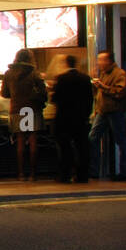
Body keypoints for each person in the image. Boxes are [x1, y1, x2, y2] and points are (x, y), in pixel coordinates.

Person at [1, 48, 46, 181]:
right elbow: (43, 93)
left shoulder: (9, 73)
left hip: (17, 109)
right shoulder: (34, 73)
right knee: (33, 141)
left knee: (20, 141)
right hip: (32, 109)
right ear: (30, 58)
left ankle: (20, 173)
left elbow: (4, 93)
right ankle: (33, 174)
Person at [88, 50, 126, 180]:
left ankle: (125, 172)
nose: (99, 63)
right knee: (92, 138)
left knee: (121, 140)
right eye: (98, 60)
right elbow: (99, 94)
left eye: (102, 60)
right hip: (102, 111)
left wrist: (102, 86)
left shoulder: (120, 74)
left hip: (115, 111)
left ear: (109, 61)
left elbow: (120, 92)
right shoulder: (103, 73)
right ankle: (94, 170)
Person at [51, 54, 92, 184]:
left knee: (65, 148)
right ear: (76, 64)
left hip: (64, 118)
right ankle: (82, 176)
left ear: (66, 64)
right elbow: (89, 99)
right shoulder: (85, 79)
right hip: (80, 118)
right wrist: (86, 115)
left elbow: (55, 99)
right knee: (82, 147)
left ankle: (65, 175)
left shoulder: (61, 79)